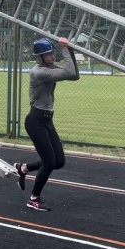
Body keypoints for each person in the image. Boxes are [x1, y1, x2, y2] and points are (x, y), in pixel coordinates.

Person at [13, 37, 79, 212]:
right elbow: (70, 72)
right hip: (36, 121)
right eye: (47, 54)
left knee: (59, 162)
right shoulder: (39, 72)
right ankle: (34, 199)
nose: (51, 56)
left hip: (47, 120)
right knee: (49, 162)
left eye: (51, 52)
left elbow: (75, 76)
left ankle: (24, 168)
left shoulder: (49, 68)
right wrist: (66, 49)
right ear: (39, 57)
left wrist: (69, 50)